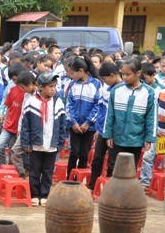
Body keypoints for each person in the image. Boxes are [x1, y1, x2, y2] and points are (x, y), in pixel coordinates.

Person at [103, 58, 157, 176]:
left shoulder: (149, 92)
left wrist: (149, 138)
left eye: (128, 74)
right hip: (117, 138)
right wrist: (108, 135)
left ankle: (126, 193)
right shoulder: (116, 90)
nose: (124, 77)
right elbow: (109, 115)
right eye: (122, 74)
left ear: (138, 73)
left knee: (130, 168)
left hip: (136, 140)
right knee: (113, 166)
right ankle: (112, 193)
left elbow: (151, 118)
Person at [21, 72, 66, 206]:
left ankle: (44, 194)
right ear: (40, 87)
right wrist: (26, 142)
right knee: (34, 170)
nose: (53, 89)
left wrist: (60, 142)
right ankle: (34, 194)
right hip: (36, 144)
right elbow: (25, 125)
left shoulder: (58, 102)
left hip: (51, 144)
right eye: (50, 86)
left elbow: (62, 125)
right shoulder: (31, 102)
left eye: (55, 86)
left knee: (48, 171)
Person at [65, 54, 102, 179]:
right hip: (74, 125)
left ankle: (79, 179)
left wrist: (87, 123)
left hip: (89, 127)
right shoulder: (72, 84)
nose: (71, 76)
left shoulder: (96, 84)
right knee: (74, 152)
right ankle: (69, 178)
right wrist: (74, 122)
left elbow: (98, 105)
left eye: (73, 73)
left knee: (84, 154)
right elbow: (68, 105)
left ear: (81, 71)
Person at [88, 62, 121, 190]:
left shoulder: (121, 90)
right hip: (102, 131)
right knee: (97, 159)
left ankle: (109, 189)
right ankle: (93, 185)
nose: (104, 81)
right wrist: (98, 127)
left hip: (114, 132)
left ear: (112, 76)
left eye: (105, 79)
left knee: (112, 162)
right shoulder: (106, 89)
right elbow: (101, 111)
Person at [0, 71, 35, 167]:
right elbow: (10, 107)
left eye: (22, 87)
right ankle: (2, 166)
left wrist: (21, 129)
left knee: (15, 152)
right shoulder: (15, 90)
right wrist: (6, 120)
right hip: (10, 126)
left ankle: (16, 171)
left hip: (22, 129)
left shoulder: (35, 96)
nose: (21, 89)